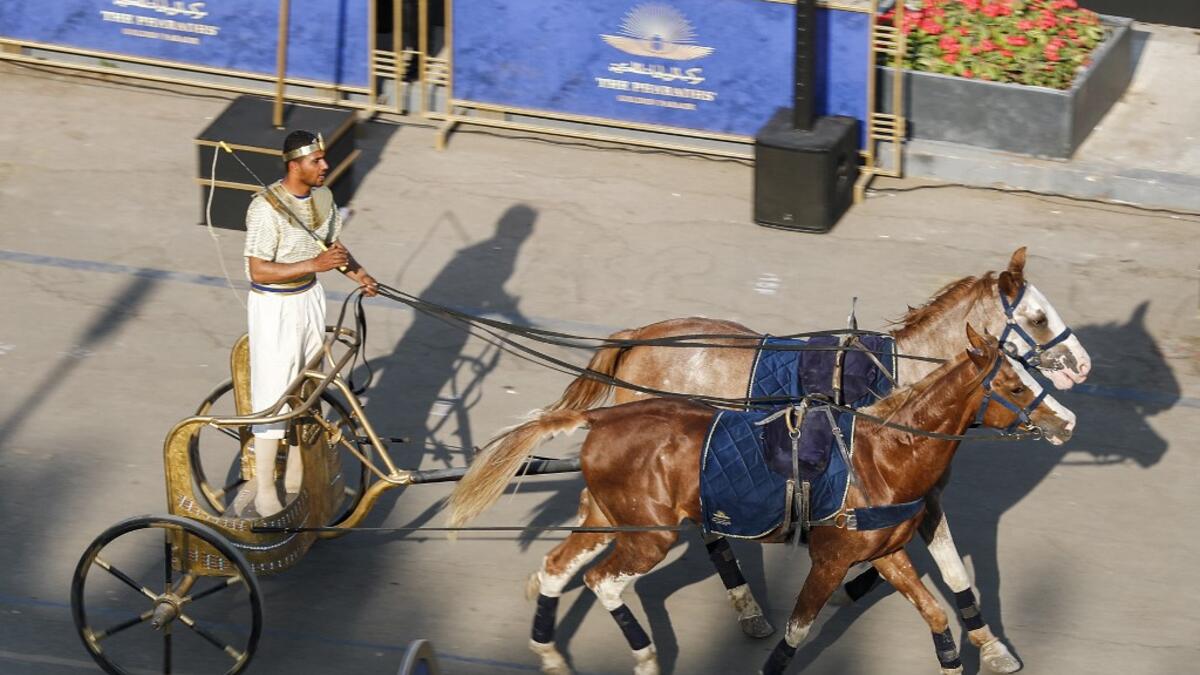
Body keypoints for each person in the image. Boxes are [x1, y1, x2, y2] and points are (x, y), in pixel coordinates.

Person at [241, 130, 377, 517]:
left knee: (308, 389)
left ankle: (296, 479)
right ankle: (265, 489)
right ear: (294, 165)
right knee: (275, 392)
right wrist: (313, 265)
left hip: (309, 300)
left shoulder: (323, 199)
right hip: (275, 307)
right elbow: (258, 270)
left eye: (323, 158)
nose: (325, 166)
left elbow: (333, 251)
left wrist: (361, 276)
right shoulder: (265, 208)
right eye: (316, 160)